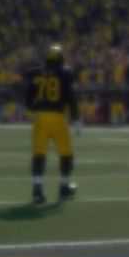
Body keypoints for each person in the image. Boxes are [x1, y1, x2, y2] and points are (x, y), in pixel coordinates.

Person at [25, 44, 78, 203]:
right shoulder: (66, 73)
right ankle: (63, 187)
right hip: (57, 117)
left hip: (40, 117)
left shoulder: (37, 73)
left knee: (39, 154)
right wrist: (76, 117)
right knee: (66, 154)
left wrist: (32, 110)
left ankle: (37, 190)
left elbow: (28, 96)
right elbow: (70, 96)